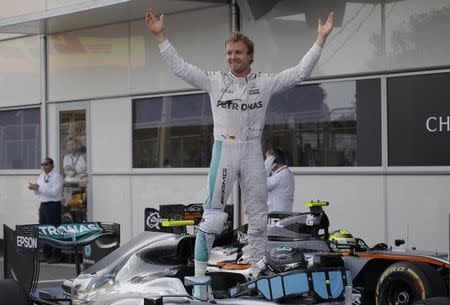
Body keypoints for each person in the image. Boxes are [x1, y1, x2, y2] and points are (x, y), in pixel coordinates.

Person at [145, 7, 334, 289]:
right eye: (229, 53)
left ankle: (258, 272)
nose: (233, 57)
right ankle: (199, 278)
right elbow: (180, 68)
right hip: (225, 150)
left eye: (238, 53)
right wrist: (161, 37)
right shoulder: (215, 80)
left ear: (250, 56)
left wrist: (320, 40)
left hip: (252, 153)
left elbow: (298, 73)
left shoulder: (264, 83)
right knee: (213, 219)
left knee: (258, 218)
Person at [28, 157, 64, 263]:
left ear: (52, 165)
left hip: (53, 205)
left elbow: (54, 192)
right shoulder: (42, 176)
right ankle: (46, 254)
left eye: (47, 164)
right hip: (43, 205)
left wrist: (38, 188)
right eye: (43, 164)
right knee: (44, 229)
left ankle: (56, 255)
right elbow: (39, 191)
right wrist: (35, 189)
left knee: (54, 229)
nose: (44, 166)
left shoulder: (57, 177)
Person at [265, 147, 295, 213]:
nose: (266, 161)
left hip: (276, 215)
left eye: (267, 160)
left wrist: (267, 167)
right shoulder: (286, 173)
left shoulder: (279, 176)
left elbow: (260, 185)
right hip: (283, 213)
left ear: (272, 162)